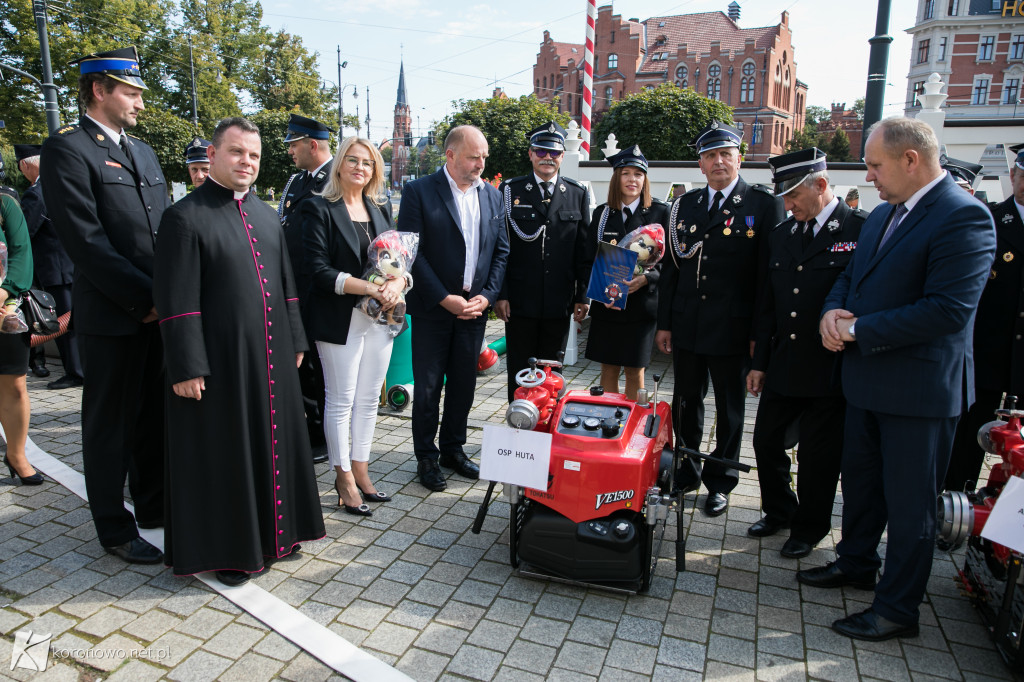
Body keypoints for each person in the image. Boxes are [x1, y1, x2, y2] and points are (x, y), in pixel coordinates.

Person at [802, 117, 996, 642]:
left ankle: (896, 609)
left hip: (919, 392)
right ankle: (856, 562)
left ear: (911, 160)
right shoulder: (887, 213)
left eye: (874, 165)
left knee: (911, 506)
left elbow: (946, 311)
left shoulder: (964, 217)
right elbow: (851, 275)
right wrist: (832, 311)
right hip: (867, 381)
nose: (868, 177)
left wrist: (857, 328)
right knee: (862, 487)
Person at [153, 116, 326, 587]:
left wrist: (294, 340)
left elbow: (288, 286)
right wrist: (187, 365)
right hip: (219, 362)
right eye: (236, 152)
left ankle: (278, 537)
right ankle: (230, 550)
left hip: (271, 357)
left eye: (253, 154)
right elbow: (176, 300)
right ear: (212, 155)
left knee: (274, 445)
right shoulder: (183, 217)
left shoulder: (268, 214)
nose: (246, 162)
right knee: (227, 454)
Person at [41, 46, 167, 565]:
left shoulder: (142, 151)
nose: (139, 101)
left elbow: (164, 233)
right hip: (115, 314)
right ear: (99, 90)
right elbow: (87, 242)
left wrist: (171, 297)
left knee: (153, 417)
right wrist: (145, 300)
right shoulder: (67, 150)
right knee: (109, 424)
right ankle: (114, 528)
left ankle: (155, 506)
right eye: (131, 91)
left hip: (159, 312)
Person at [655, 121, 785, 517]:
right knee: (686, 402)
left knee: (730, 409)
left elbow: (767, 280)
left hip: (734, 328)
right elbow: (673, 270)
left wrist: (759, 337)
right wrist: (665, 322)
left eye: (725, 154)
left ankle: (721, 480)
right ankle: (688, 469)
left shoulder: (763, 206)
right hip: (688, 324)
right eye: (710, 156)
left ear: (739, 159)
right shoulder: (685, 205)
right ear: (700, 164)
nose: (718, 162)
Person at [746, 148, 866, 559]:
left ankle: (810, 527)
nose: (788, 203)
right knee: (765, 441)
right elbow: (768, 305)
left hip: (829, 367)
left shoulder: (858, 231)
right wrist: (759, 362)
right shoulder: (782, 234)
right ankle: (779, 510)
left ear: (820, 185)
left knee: (818, 456)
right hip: (784, 362)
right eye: (784, 195)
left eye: (794, 194)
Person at [397, 125, 509, 492]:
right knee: (428, 388)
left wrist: (488, 295)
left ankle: (452, 449)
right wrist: (445, 298)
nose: (481, 162)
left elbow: (500, 251)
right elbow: (412, 251)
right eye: (474, 156)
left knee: (464, 384)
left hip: (474, 309)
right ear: (451, 155)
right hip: (433, 308)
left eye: (484, 157)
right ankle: (426, 457)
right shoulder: (418, 191)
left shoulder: (492, 196)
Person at [300, 137, 402, 517]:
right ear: (340, 164)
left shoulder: (380, 207)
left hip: (379, 317)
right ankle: (342, 477)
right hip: (338, 317)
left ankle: (362, 468)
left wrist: (396, 283)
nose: (361, 168)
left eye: (369, 163)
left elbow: (396, 260)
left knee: (369, 397)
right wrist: (369, 287)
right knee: (340, 400)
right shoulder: (318, 208)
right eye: (353, 160)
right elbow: (318, 270)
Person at [944, 150, 1024, 495]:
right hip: (987, 349)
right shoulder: (990, 219)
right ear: (1013, 174)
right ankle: (954, 503)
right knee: (970, 436)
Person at [496, 121, 590, 402]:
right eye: (541, 151)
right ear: (530, 154)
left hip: (559, 302)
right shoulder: (510, 190)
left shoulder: (577, 193)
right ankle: (518, 429)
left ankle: (547, 430)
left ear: (562, 156)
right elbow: (500, 248)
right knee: (519, 370)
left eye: (554, 153)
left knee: (552, 371)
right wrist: (501, 294)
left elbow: (583, 250)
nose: (547, 157)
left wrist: (582, 295)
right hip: (519, 301)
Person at [584, 145, 669, 400]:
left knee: (635, 370)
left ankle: (632, 430)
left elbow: (671, 263)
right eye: (626, 173)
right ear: (616, 178)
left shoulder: (660, 213)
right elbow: (589, 258)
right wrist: (599, 290)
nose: (633, 180)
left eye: (638, 174)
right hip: (607, 305)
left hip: (640, 307)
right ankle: (609, 422)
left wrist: (647, 278)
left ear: (645, 179)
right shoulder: (601, 214)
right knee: (608, 367)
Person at [279, 114, 336, 465]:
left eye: (293, 144)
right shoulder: (297, 182)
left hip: (324, 292)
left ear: (312, 145)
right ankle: (311, 428)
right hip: (295, 291)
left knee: (320, 368)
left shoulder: (338, 179)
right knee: (302, 365)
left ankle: (323, 436)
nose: (289, 151)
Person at [16, 144, 83, 389]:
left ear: (25, 165)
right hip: (72, 264)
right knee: (73, 319)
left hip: (55, 267)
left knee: (64, 324)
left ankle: (76, 371)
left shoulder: (37, 192)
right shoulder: (64, 183)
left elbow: (26, 233)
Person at [0, 193, 42, 486]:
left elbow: (20, 254)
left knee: (14, 385)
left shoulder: (5, 205)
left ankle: (16, 454)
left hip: (6, 310)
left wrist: (3, 292)